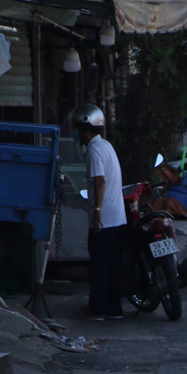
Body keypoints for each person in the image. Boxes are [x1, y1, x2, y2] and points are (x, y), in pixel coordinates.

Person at [71, 105, 125, 320]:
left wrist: (97, 211)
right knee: (112, 265)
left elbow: (100, 181)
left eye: (77, 129)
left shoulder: (94, 150)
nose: (76, 134)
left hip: (106, 218)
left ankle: (99, 309)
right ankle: (114, 308)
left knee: (99, 265)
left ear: (85, 130)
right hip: (117, 217)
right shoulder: (106, 145)